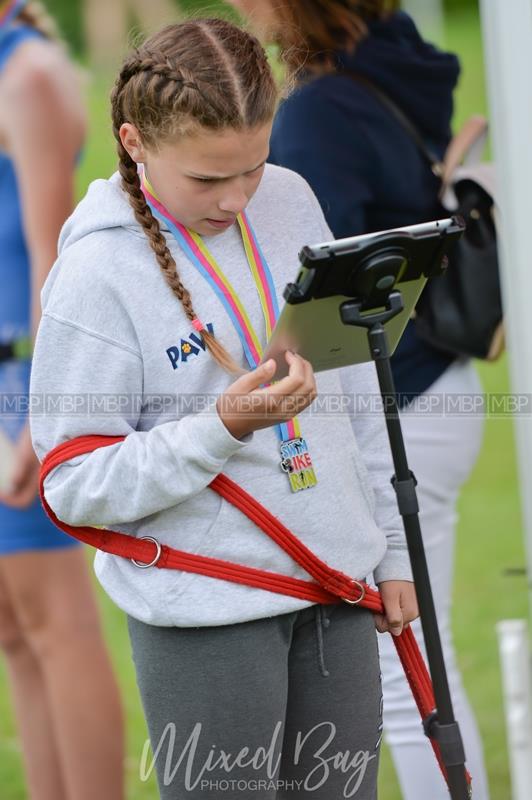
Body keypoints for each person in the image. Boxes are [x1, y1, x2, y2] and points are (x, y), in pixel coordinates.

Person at [29, 17, 420, 800]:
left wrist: (391, 551)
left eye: (254, 166)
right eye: (208, 180)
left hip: (336, 587)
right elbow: (72, 481)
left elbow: (352, 388)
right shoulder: (96, 273)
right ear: (135, 142)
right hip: (207, 612)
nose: (238, 199)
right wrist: (220, 429)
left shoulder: (292, 199)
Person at [227, 1, 490, 799]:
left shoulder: (320, 115)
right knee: (416, 675)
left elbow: (304, 302)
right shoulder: (392, 59)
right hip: (437, 385)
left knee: (407, 682)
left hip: (395, 409)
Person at [0, 2, 124, 798]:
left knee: (56, 620)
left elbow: (55, 266)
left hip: (22, 383)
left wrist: (38, 424)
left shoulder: (29, 75)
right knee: (13, 628)